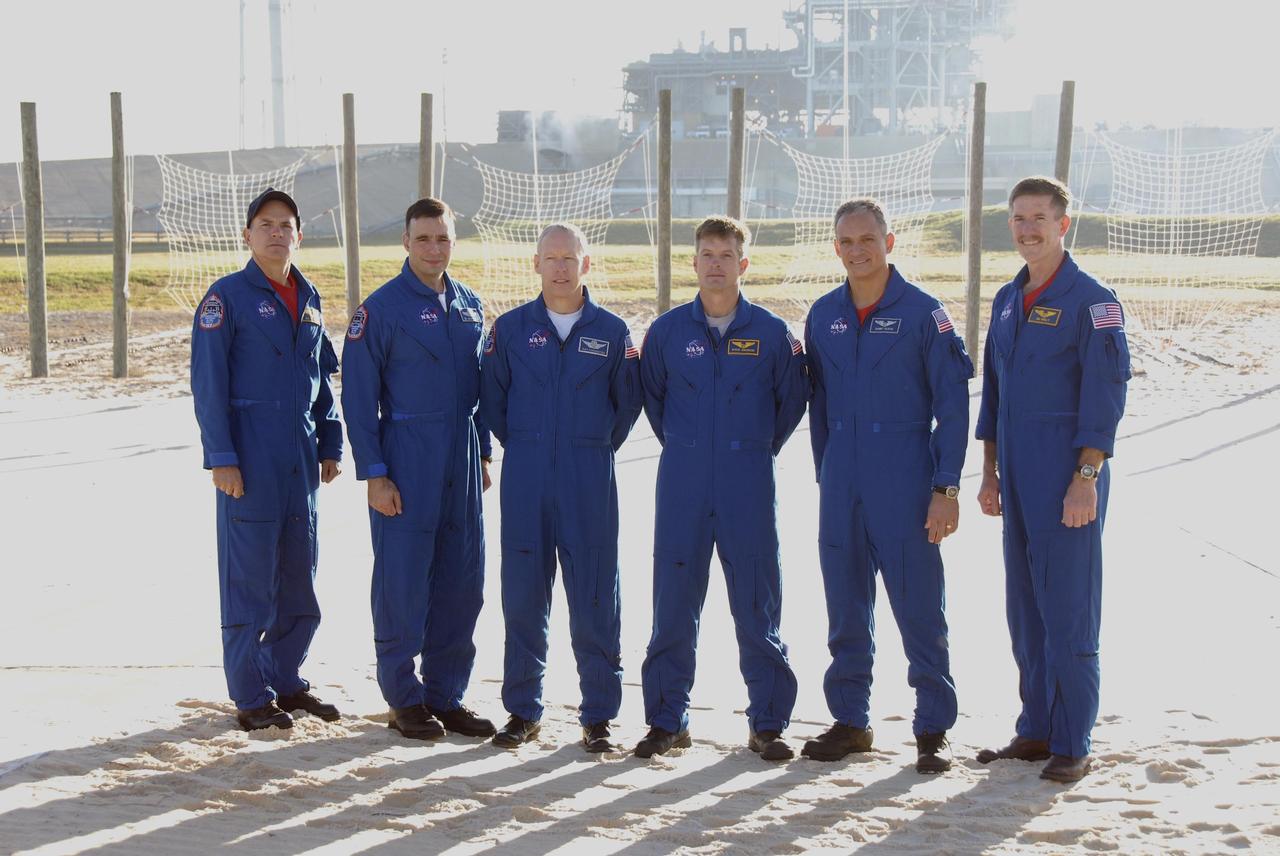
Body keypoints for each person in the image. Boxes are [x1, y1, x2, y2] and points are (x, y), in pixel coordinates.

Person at [802, 199, 973, 773]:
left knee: (920, 606)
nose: (858, 251)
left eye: (867, 239)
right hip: (842, 481)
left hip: (905, 477)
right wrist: (826, 470)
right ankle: (851, 720)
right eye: (847, 241)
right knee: (845, 605)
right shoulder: (823, 314)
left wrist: (945, 488)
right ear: (836, 248)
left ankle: (933, 727)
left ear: (889, 242)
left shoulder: (926, 313)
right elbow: (819, 403)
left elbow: (953, 407)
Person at [975, 176, 1131, 783]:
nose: (1027, 229)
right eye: (1018, 218)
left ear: (1063, 224)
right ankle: (1036, 728)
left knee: (1068, 608)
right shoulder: (1008, 299)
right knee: (1025, 608)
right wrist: (987, 473)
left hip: (1068, 476)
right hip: (1014, 476)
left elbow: (1105, 398)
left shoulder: (1094, 300)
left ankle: (1074, 738)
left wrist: (1086, 477)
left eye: (1039, 218)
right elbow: (994, 393)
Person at [635, 216, 807, 762]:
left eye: (726, 255)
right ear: (694, 263)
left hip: (747, 482)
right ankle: (667, 721)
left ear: (743, 263)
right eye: (707, 254)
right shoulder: (665, 333)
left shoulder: (774, 334)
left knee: (758, 604)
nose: (716, 264)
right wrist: (692, 447)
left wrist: (749, 448)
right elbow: (655, 403)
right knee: (674, 605)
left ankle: (768, 724)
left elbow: (790, 404)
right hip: (683, 481)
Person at [479, 223, 643, 752]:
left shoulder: (614, 332)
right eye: (550, 258)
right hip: (526, 475)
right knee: (524, 596)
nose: (560, 267)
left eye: (569, 257)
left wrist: (588, 445)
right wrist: (529, 444)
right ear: (536, 265)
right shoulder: (508, 330)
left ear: (585, 264)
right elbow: (494, 402)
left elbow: (626, 406)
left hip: (589, 475)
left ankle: (598, 715)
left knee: (596, 595)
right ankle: (523, 711)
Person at [340, 197, 496, 741]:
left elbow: (482, 392)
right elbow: (358, 399)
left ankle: (445, 695)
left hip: (462, 455)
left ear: (454, 242)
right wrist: (375, 473)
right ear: (405, 242)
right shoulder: (379, 311)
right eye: (424, 238)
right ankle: (403, 699)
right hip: (406, 455)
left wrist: (483, 454)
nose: (434, 248)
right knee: (403, 582)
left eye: (443, 239)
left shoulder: (471, 306)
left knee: (462, 581)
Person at [191, 187, 344, 731]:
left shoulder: (309, 298)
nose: (277, 233)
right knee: (249, 580)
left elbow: (322, 379)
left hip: (300, 458)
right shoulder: (224, 298)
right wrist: (222, 458)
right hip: (249, 455)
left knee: (299, 576)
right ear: (248, 235)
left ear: (299, 235)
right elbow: (209, 386)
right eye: (266, 224)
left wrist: (330, 440)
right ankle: (250, 695)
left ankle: (286, 678)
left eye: (286, 225)